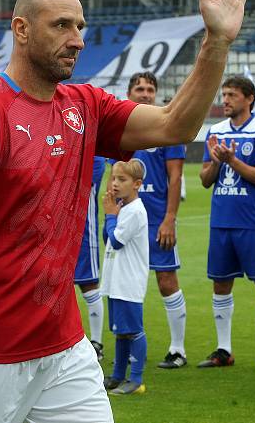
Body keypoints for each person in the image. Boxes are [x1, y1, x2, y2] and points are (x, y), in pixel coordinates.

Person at [0, 0, 250, 421]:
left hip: (64, 348)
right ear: (22, 29)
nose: (78, 40)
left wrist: (216, 41)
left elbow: (176, 124)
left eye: (81, 26)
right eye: (62, 26)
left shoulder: (86, 106)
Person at [198, 76, 255, 371]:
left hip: (253, 224)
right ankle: (223, 350)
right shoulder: (215, 132)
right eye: (224, 94)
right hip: (221, 223)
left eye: (232, 95)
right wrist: (218, 162)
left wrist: (232, 160)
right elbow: (206, 180)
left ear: (249, 98)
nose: (225, 100)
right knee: (220, 284)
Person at [118, 71, 188, 369]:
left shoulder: (167, 127)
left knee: (166, 279)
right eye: (139, 89)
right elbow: (116, 174)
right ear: (130, 93)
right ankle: (129, 347)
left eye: (150, 89)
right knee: (125, 283)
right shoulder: (120, 128)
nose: (145, 94)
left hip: (157, 219)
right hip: (127, 221)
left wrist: (170, 218)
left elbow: (175, 176)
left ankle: (177, 348)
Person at [100, 160, 149, 395]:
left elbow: (117, 241)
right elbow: (106, 238)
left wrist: (110, 216)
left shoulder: (136, 210)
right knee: (120, 331)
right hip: (116, 281)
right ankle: (118, 376)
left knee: (133, 330)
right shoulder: (122, 208)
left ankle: (136, 378)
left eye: (122, 180)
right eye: (113, 178)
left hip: (129, 282)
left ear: (137, 184)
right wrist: (110, 215)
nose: (115, 184)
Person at [75, 156, 107, 360]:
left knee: (89, 282)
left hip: (84, 224)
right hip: (57, 223)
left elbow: (93, 174)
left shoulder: (93, 150)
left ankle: (97, 342)